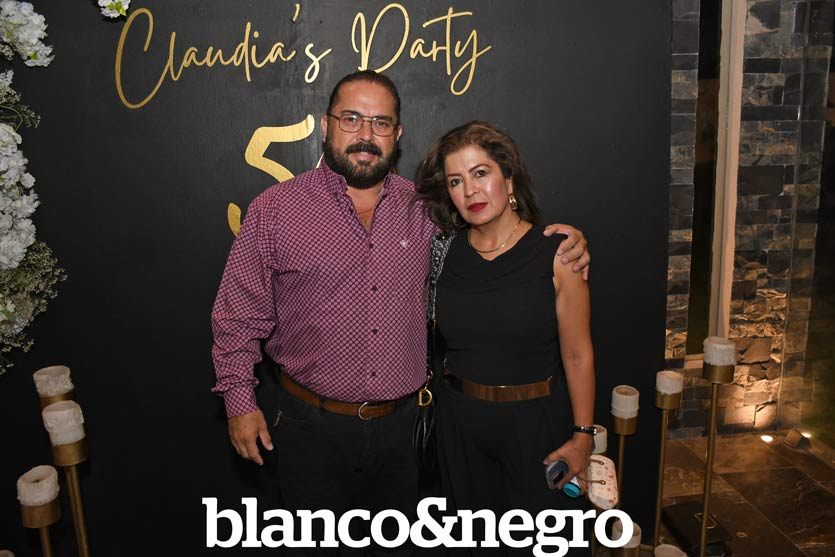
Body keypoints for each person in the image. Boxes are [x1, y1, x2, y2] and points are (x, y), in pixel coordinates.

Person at [211, 71, 590, 554]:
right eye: (351, 119)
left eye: (381, 123)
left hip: (405, 433)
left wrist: (566, 243)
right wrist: (240, 403)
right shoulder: (275, 210)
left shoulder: (426, 211)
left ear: (398, 134)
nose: (365, 135)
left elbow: (495, 233)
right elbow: (237, 316)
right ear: (325, 126)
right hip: (310, 429)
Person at [415, 121, 596, 555]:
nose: (470, 191)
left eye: (481, 173)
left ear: (509, 179)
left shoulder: (557, 254)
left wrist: (583, 435)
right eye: (456, 181)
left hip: (536, 429)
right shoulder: (441, 252)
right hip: (460, 429)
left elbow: (577, 354)